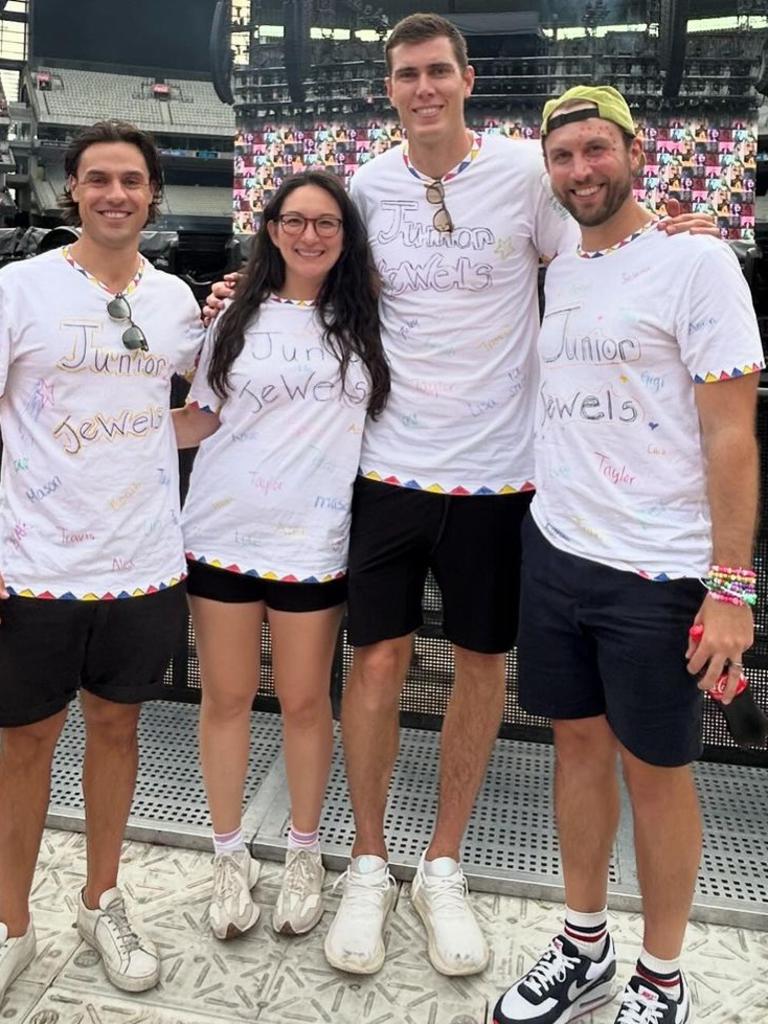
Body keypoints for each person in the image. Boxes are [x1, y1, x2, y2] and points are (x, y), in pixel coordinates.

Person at [207, 14, 717, 980]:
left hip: (500, 473)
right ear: (390, 89)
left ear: (469, 78)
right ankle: (367, 858)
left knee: (482, 668)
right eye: (407, 74)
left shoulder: (529, 173)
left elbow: (608, 238)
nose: (424, 87)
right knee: (377, 663)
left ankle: (442, 861)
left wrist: (687, 232)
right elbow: (315, 270)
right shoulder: (365, 185)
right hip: (386, 466)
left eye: (439, 70)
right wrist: (249, 289)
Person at [493, 86, 763, 1024]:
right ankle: (584, 946)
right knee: (574, 749)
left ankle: (662, 975)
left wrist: (732, 585)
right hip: (560, 545)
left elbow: (732, 433)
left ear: (635, 152)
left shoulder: (698, 262)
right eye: (562, 157)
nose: (580, 171)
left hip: (660, 568)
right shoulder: (563, 260)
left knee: (657, 774)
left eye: (595, 150)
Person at [0, 121, 203, 1000]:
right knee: (24, 745)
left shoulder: (178, 303)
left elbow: (185, 415)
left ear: (152, 193)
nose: (115, 194)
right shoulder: (19, 289)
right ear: (71, 189)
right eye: (98, 179)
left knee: (117, 731)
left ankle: (101, 898)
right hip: (33, 559)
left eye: (131, 180)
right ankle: (11, 922)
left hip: (143, 560)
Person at [172, 171, 389, 941]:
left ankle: (304, 849)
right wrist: (102, 438)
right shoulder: (231, 314)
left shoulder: (370, 320)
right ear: (270, 228)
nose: (310, 235)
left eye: (327, 223)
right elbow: (200, 419)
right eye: (295, 221)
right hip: (224, 533)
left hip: (315, 542)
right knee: (225, 700)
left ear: (345, 234)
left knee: (305, 704)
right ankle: (229, 854)